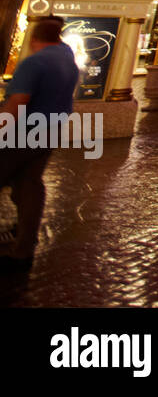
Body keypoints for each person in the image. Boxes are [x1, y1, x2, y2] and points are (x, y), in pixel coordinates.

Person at [0, 17, 79, 271]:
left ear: (34, 39)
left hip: (23, 133)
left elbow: (16, 103)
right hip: (50, 131)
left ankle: (23, 242)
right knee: (29, 185)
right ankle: (24, 244)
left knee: (21, 183)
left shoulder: (34, 63)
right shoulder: (67, 56)